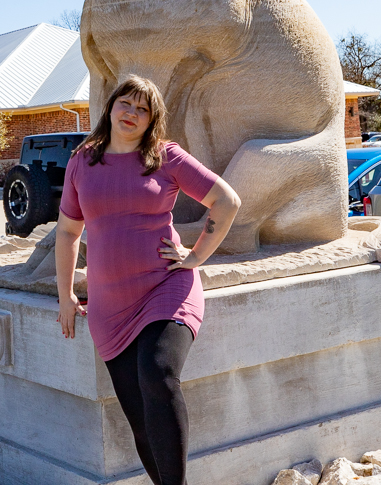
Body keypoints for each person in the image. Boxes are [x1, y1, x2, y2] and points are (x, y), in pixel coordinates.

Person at [55, 76, 242, 485]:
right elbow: (68, 232)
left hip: (166, 287)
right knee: (139, 420)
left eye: (143, 109)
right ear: (110, 106)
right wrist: (66, 294)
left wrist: (194, 257)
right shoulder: (82, 161)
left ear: (152, 119)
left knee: (157, 374)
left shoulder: (165, 157)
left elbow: (226, 201)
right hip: (110, 305)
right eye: (126, 103)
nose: (132, 113)